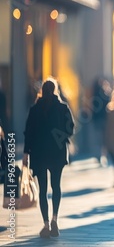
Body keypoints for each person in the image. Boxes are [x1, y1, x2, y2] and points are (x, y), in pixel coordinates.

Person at [23, 78, 74, 238]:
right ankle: (55, 220)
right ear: (55, 90)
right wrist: (58, 138)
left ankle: (45, 223)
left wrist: (26, 153)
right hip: (57, 153)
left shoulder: (35, 109)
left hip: (39, 153)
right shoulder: (62, 108)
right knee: (56, 186)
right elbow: (70, 128)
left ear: (42, 91)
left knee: (43, 190)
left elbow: (28, 133)